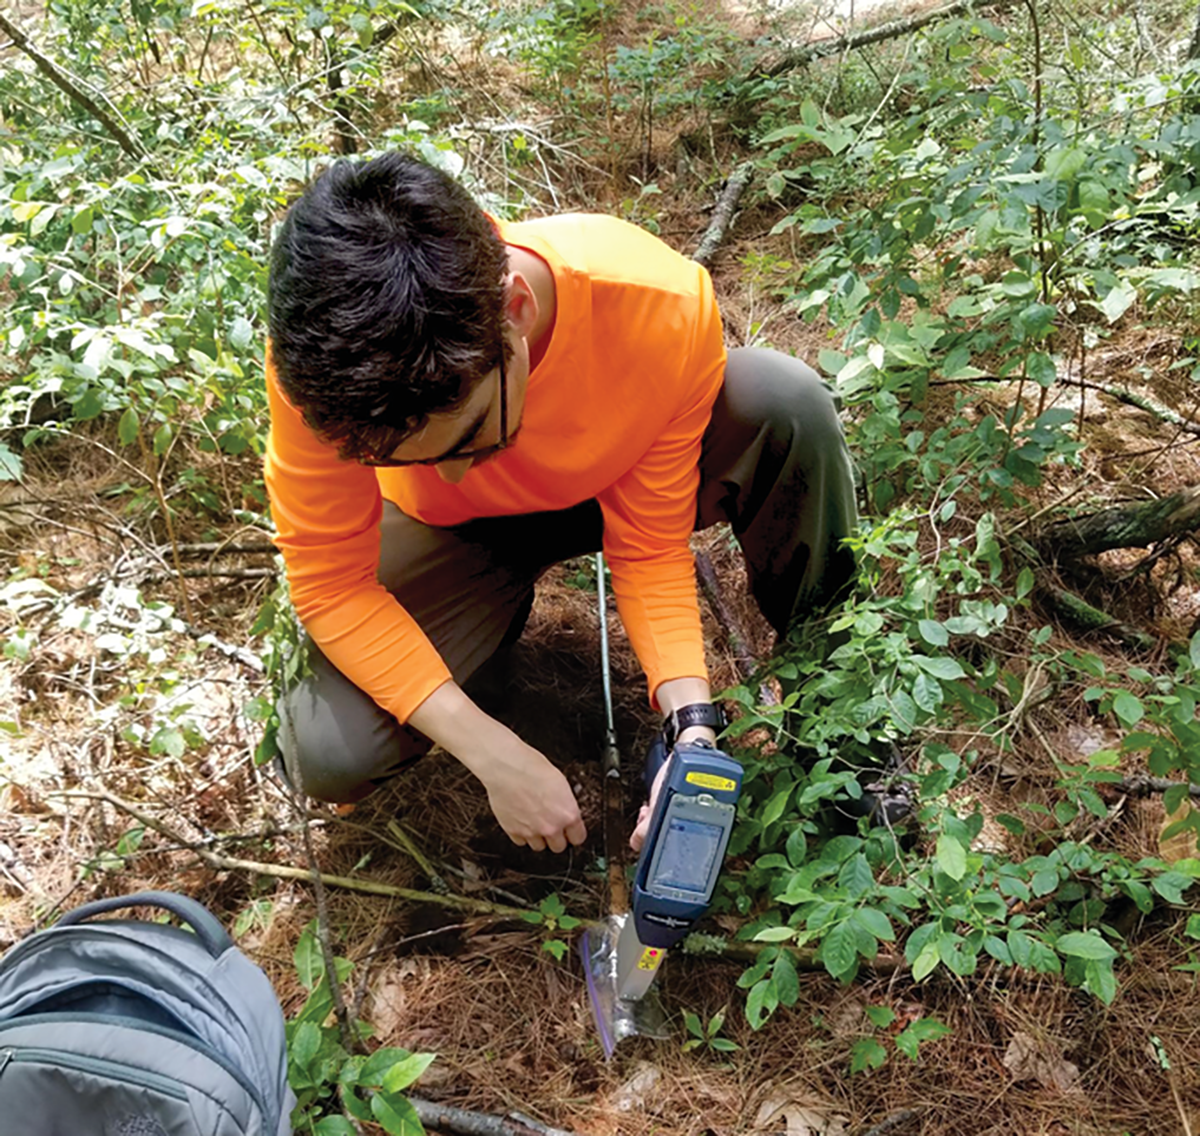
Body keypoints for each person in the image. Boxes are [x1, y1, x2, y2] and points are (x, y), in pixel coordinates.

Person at [264, 151, 859, 855]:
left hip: (611, 483)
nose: (453, 475)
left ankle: (845, 709)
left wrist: (690, 723)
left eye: (470, 440)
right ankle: (487, 623)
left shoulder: (654, 305)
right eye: (410, 457)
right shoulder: (324, 371)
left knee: (780, 399)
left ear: (515, 310)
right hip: (452, 538)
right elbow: (331, 585)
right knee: (325, 749)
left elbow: (650, 546)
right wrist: (488, 748)